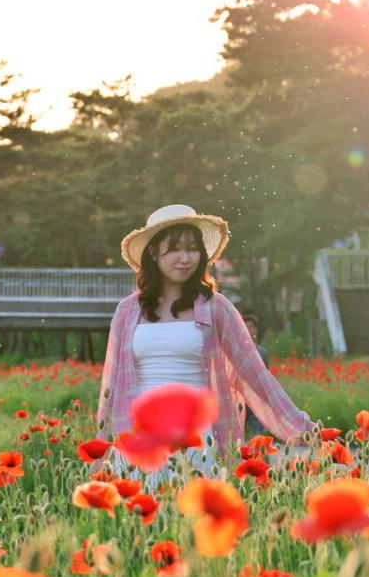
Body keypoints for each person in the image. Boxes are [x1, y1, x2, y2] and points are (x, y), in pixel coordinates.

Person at [96, 204, 316, 485]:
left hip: (194, 435)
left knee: (193, 518)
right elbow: (111, 385)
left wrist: (300, 426)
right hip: (140, 434)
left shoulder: (215, 307)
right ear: (153, 252)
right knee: (140, 519)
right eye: (174, 249)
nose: (185, 258)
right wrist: (101, 448)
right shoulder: (128, 311)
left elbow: (254, 374)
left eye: (192, 248)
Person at [239, 309, 271, 440]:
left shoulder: (262, 352)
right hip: (239, 399)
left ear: (256, 330)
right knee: (235, 438)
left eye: (251, 327)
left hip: (257, 399)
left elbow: (266, 377)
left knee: (259, 437)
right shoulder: (235, 352)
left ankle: (261, 459)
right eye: (244, 326)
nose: (248, 329)